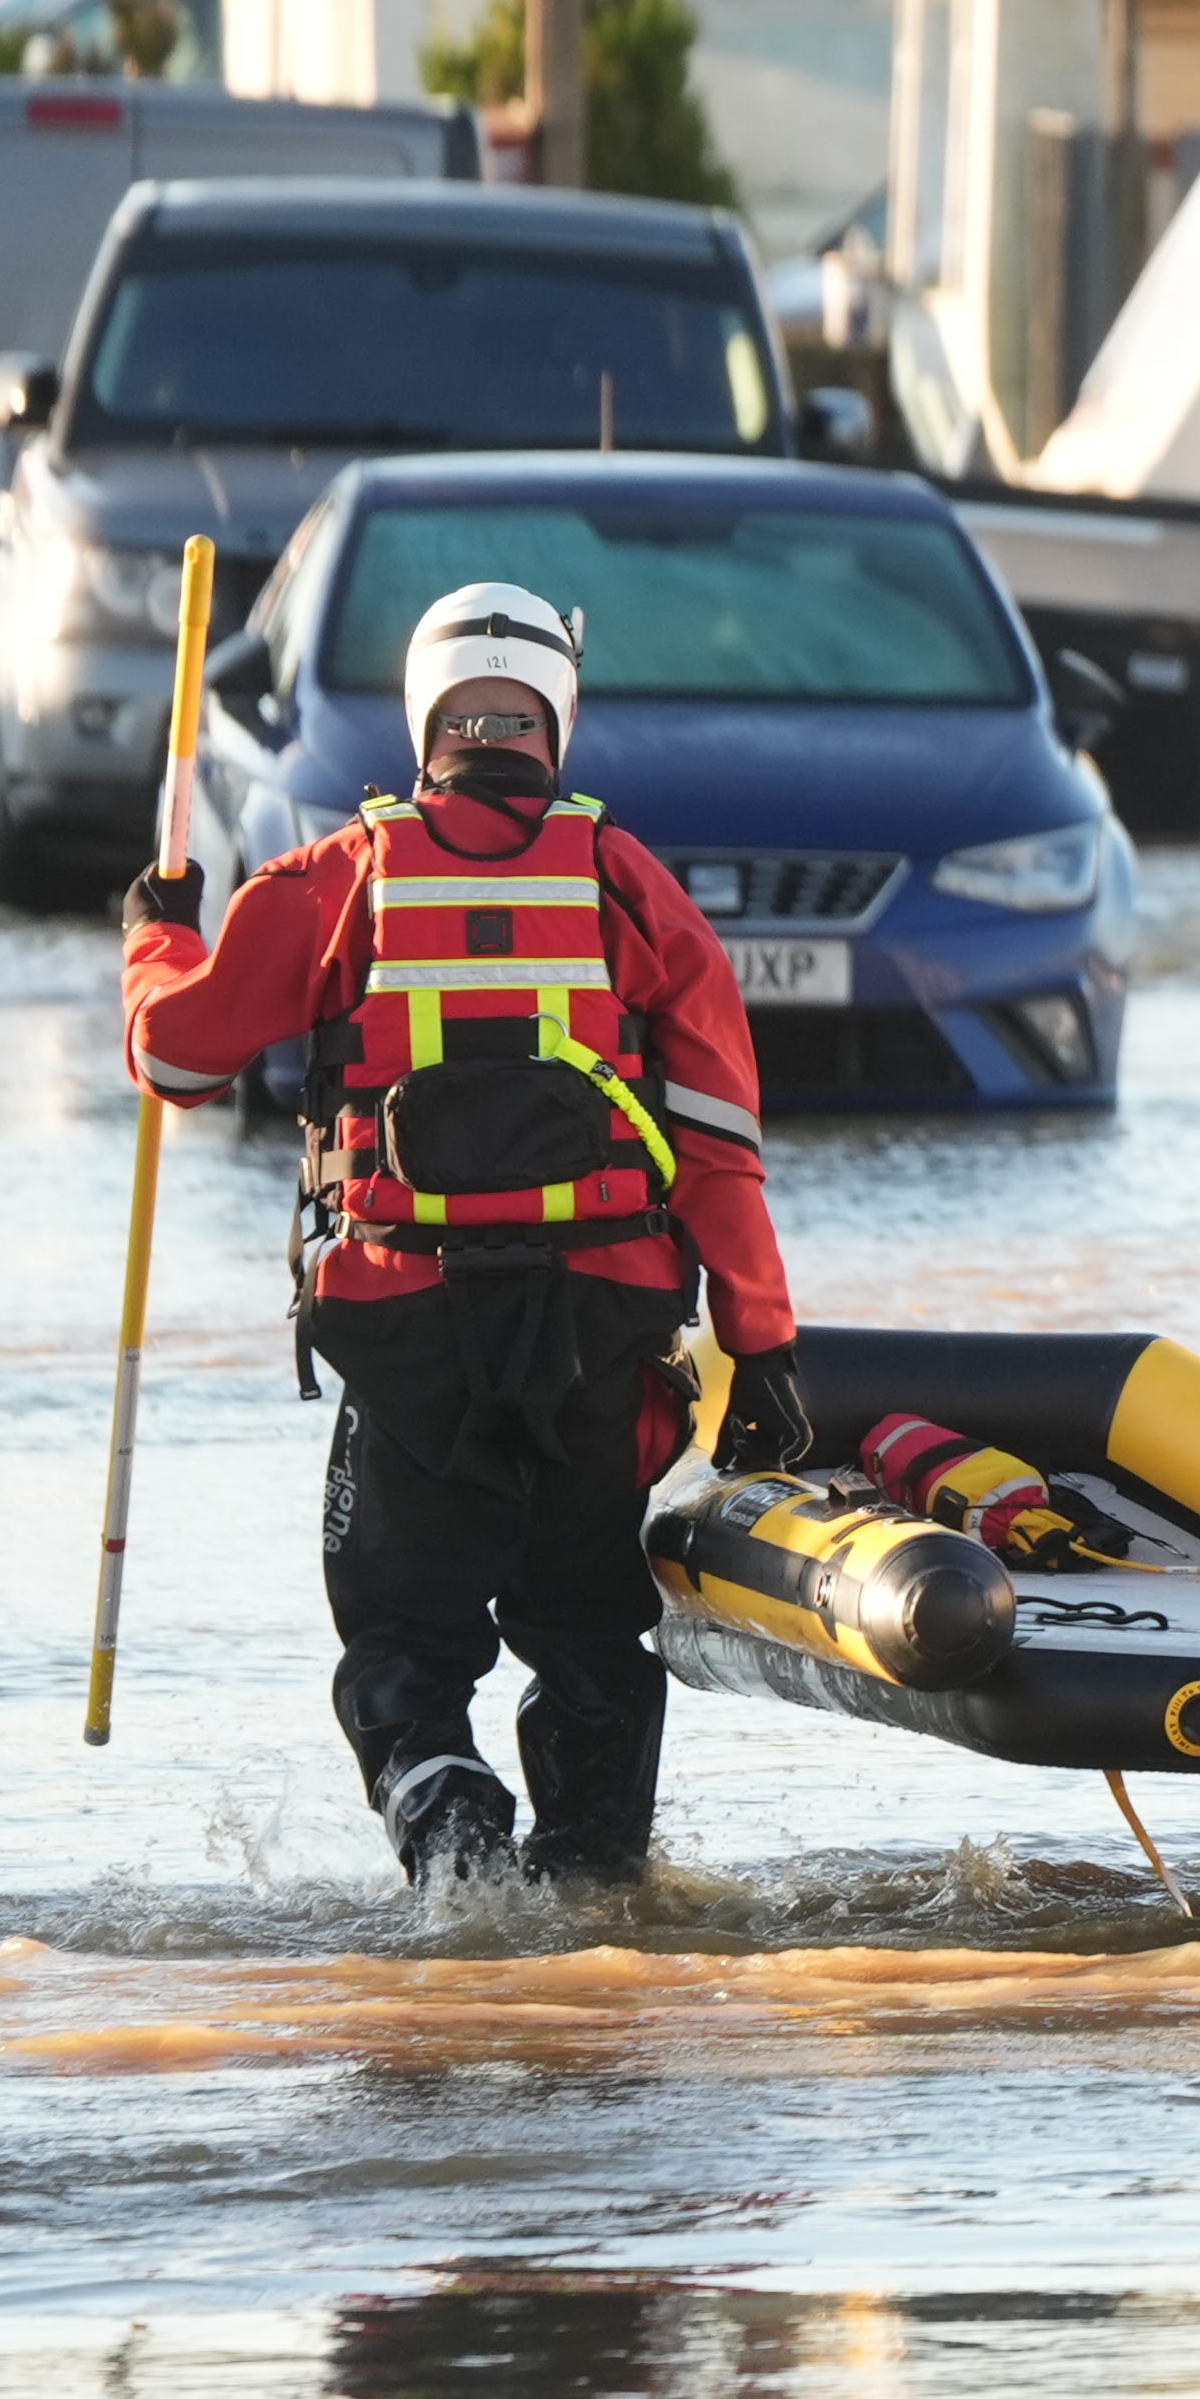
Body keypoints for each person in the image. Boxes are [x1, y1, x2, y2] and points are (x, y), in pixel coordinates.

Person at [119, 582, 805, 1889]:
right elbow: (720, 1145)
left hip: (405, 1328)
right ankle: (596, 1903)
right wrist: (763, 1343)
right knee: (594, 1637)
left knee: (401, 1640)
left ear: (424, 714)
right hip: (603, 1329)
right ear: (555, 719)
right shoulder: (630, 885)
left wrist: (156, 935)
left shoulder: (337, 881)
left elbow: (175, 1056)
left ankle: (451, 1840)